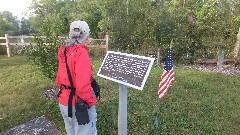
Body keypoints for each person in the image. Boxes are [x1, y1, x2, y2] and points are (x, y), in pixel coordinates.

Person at [56, 20, 97, 135]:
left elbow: (59, 78)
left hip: (63, 100)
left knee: (71, 131)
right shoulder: (81, 53)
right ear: (86, 36)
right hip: (78, 105)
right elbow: (83, 86)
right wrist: (90, 102)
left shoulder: (64, 49)